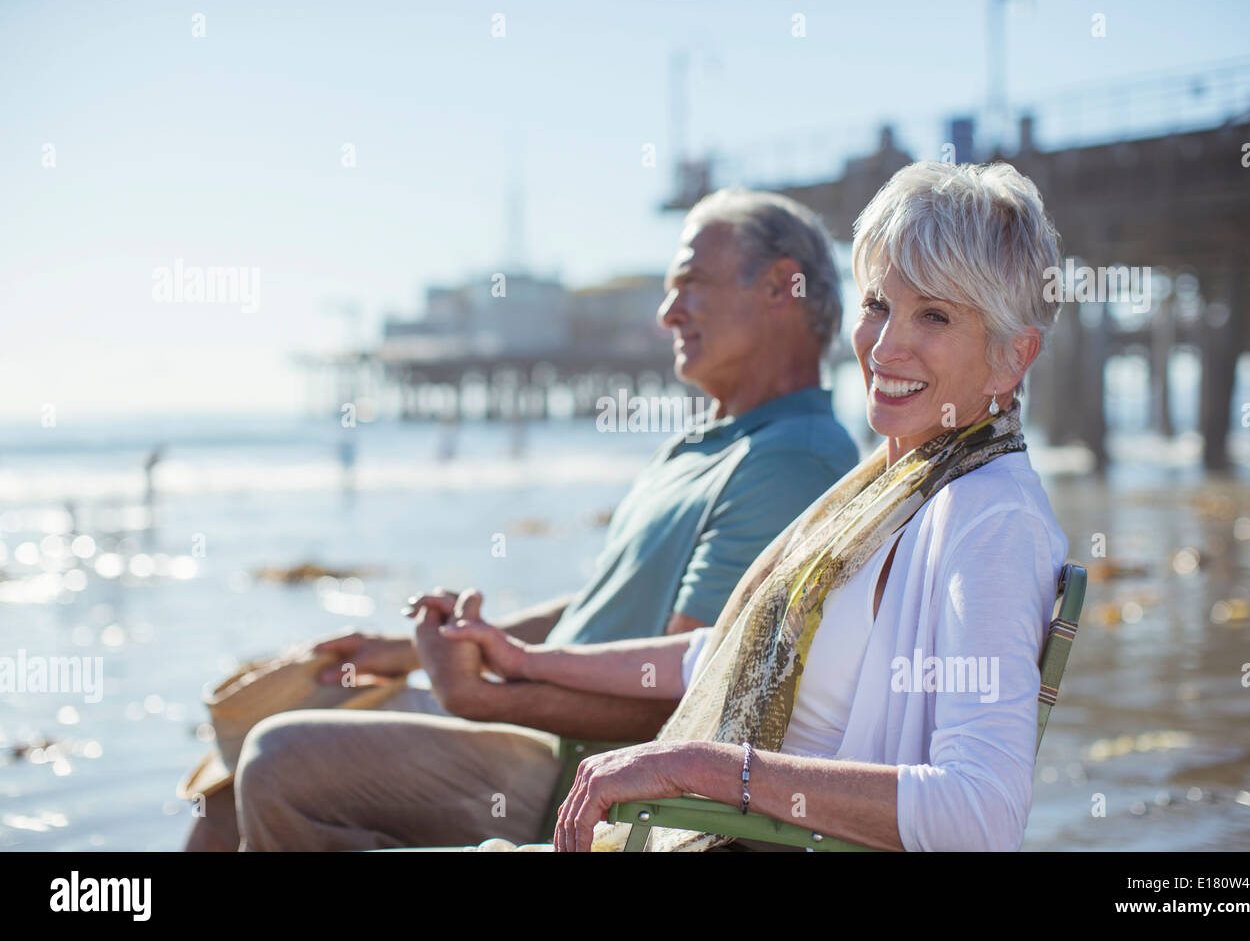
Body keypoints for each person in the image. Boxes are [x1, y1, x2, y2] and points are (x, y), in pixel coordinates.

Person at [433, 160, 1071, 852]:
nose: (884, 346)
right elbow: (726, 652)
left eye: (935, 315)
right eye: (878, 305)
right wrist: (527, 660)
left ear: (1013, 358)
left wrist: (705, 769)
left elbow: (980, 814)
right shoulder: (899, 488)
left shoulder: (989, 518)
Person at [196, 188, 860, 851]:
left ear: (780, 288)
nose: (666, 314)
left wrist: (487, 697)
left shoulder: (791, 459)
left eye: (689, 283)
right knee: (238, 767)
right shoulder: (707, 444)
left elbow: (691, 695)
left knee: (281, 760)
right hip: (538, 726)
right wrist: (418, 652)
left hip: (587, 768)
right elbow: (602, 609)